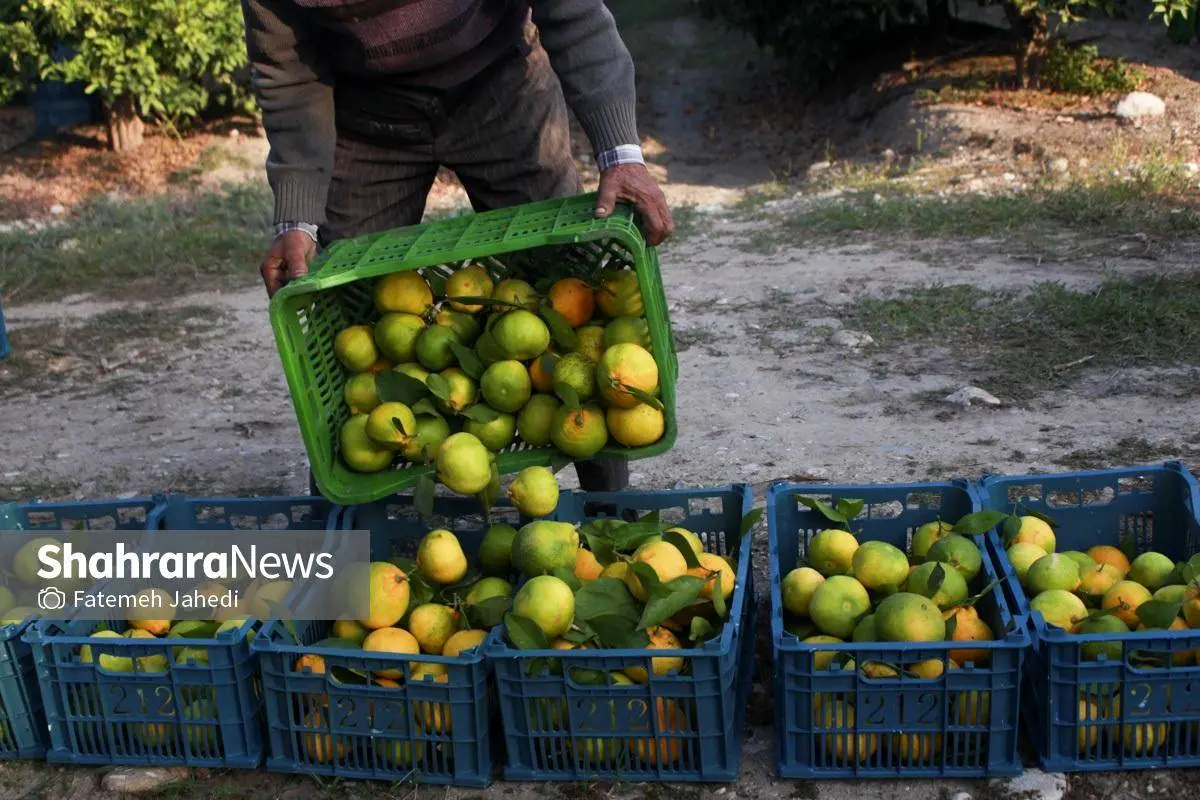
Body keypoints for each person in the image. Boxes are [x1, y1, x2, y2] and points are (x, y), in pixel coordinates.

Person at [241, 0, 674, 493]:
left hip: (501, 84)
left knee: (566, 297)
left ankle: (607, 508)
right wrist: (298, 218)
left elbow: (574, 13)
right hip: (367, 116)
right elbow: (286, 70)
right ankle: (353, 527)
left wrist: (620, 153)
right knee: (351, 313)